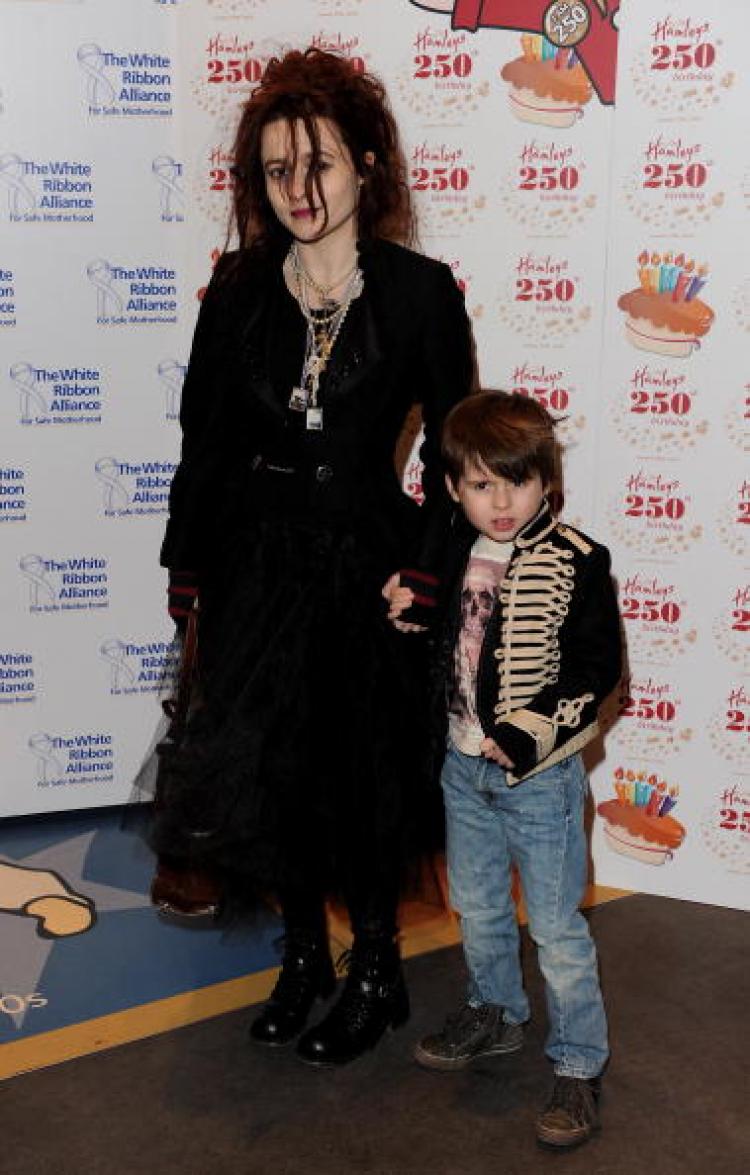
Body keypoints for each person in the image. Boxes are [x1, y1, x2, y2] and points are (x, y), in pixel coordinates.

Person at [150, 47, 474, 1067]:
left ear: (366, 165)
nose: (299, 190)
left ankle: (375, 968)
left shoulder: (421, 293)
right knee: (272, 776)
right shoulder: (238, 290)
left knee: (365, 775)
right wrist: (190, 570)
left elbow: (460, 456)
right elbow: (204, 442)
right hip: (255, 567)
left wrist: (424, 569)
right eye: (279, 169)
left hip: (371, 575)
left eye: (320, 164)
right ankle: (303, 959)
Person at [385, 391, 622, 1147]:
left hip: (539, 776)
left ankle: (579, 1061)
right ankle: (496, 1012)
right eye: (482, 483)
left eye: (517, 481)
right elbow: (448, 649)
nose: (501, 500)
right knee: (480, 908)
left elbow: (596, 668)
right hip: (462, 768)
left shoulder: (579, 559)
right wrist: (407, 613)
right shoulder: (447, 553)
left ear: (547, 480)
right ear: (452, 487)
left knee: (555, 929)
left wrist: (527, 732)